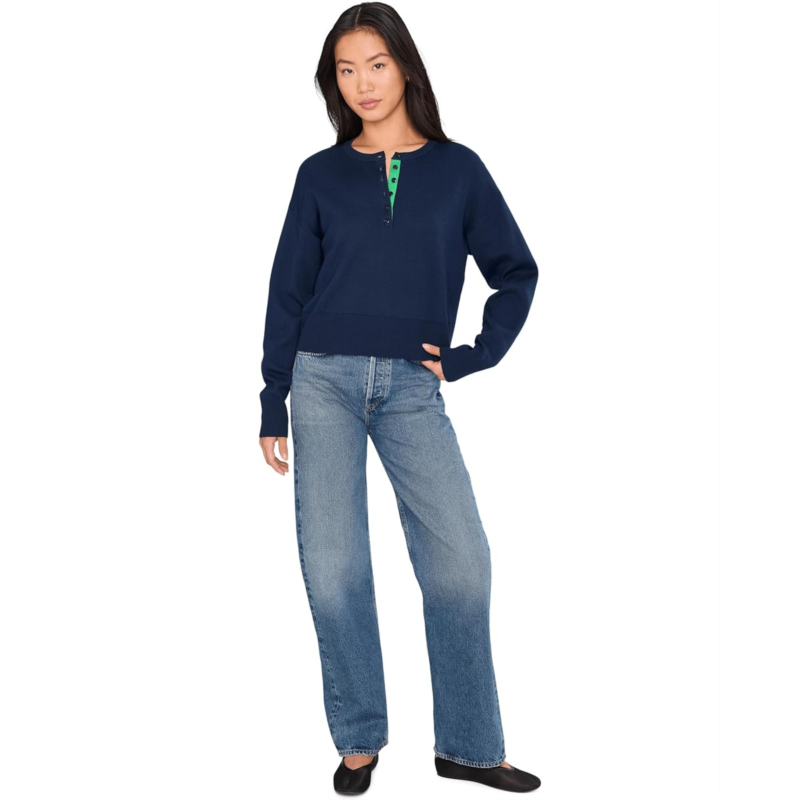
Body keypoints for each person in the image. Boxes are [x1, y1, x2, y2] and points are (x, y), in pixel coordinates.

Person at [258, 3, 541, 794]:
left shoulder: (459, 170)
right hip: (321, 380)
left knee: (462, 567)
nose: (363, 84)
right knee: (336, 568)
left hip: (414, 386)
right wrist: (273, 397)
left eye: (375, 64)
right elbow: (288, 291)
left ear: (405, 66)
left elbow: (516, 271)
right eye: (346, 70)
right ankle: (359, 739)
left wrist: (473, 355)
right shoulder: (319, 175)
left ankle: (468, 747)